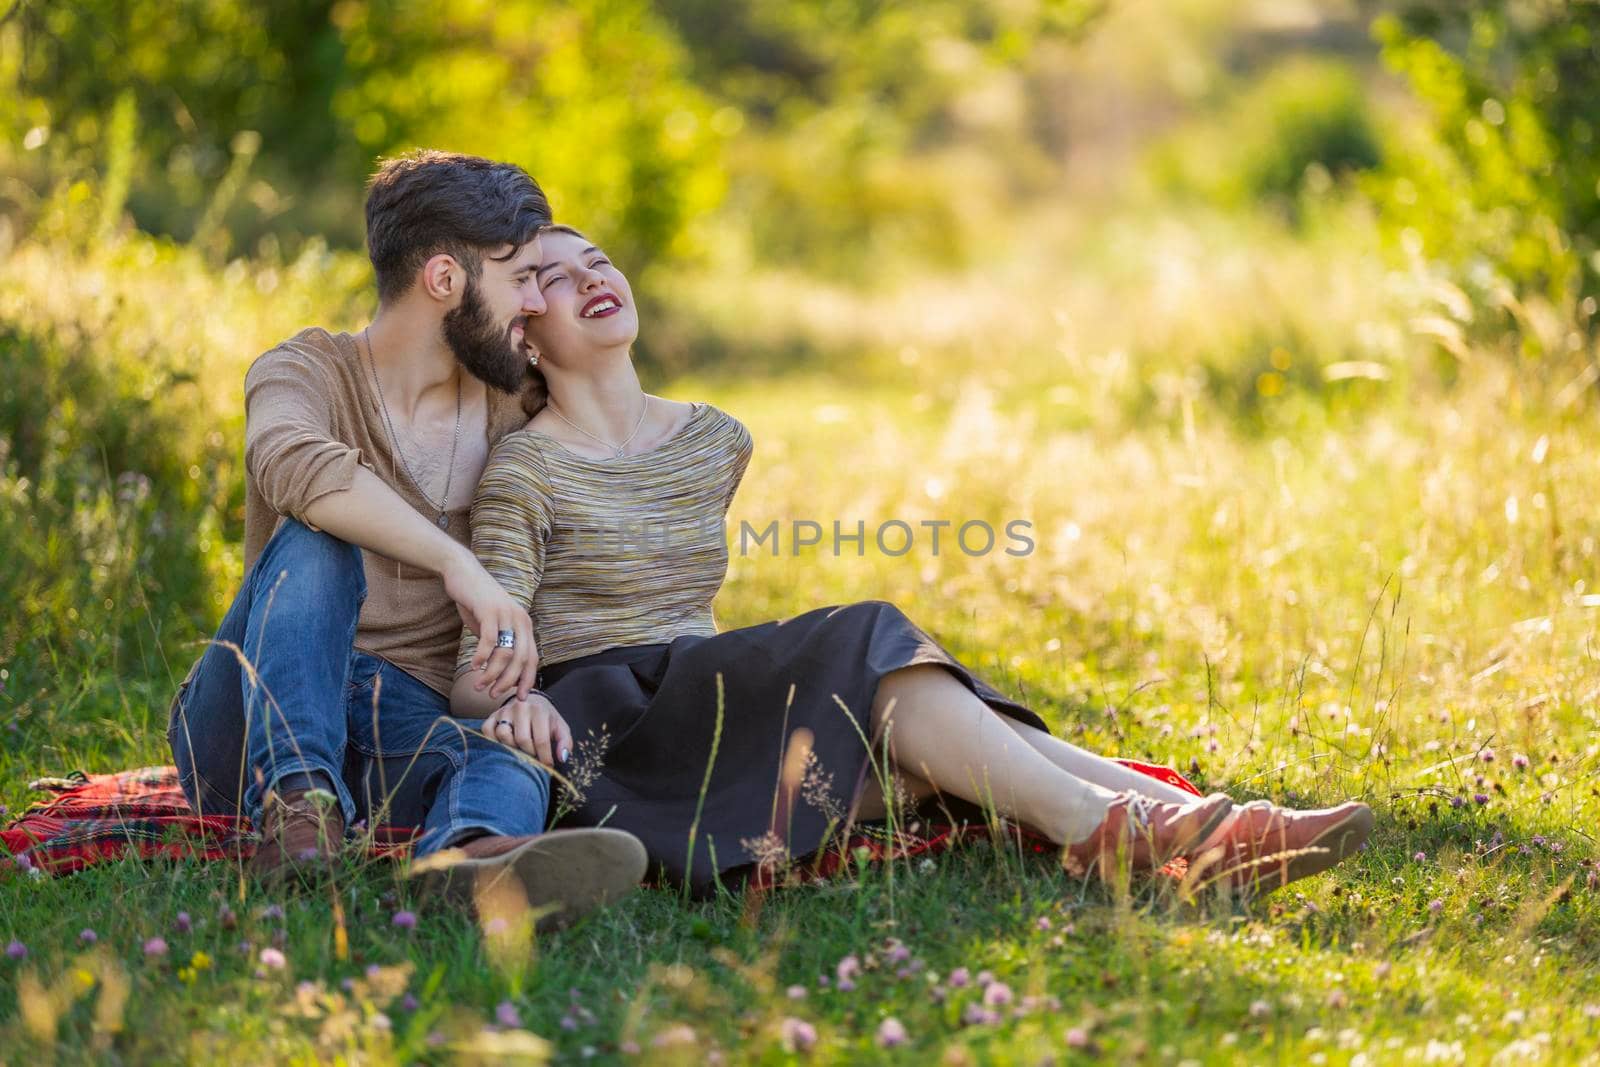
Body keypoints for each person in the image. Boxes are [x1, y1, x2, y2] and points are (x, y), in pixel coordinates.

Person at [450, 222, 1374, 899]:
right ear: (524, 333)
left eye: (598, 259)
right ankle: (1126, 827)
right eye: (556, 279)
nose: (591, 277)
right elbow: (474, 677)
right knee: (869, 642)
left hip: (707, 687)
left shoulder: (712, 439)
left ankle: (1199, 818)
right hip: (615, 726)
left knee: (906, 711)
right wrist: (516, 698)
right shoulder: (526, 468)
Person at [166, 154, 646, 926]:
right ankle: (297, 807)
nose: (533, 300)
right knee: (319, 536)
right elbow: (292, 465)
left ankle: (477, 859)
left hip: (403, 722)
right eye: (519, 275)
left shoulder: (511, 407)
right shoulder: (307, 370)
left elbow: (608, 435)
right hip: (246, 724)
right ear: (445, 279)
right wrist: (456, 562)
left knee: (504, 752)